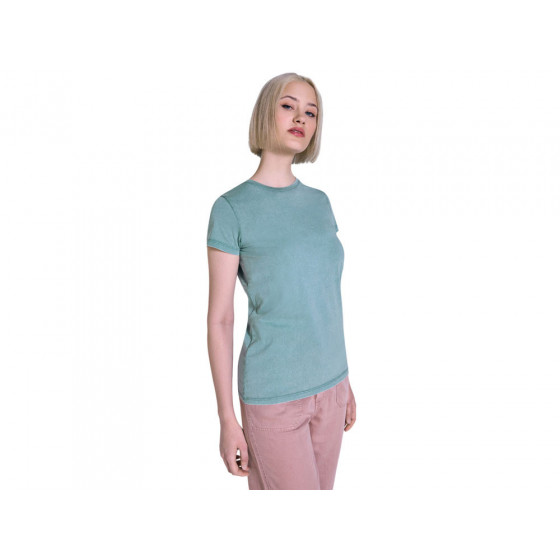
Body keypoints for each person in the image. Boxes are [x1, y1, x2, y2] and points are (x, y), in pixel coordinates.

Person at [206, 72, 356, 490]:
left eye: (311, 112)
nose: (301, 118)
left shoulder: (320, 203)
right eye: (288, 106)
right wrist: (227, 419)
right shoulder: (231, 208)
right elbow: (220, 319)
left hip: (332, 388)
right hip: (274, 396)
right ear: (265, 113)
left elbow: (324, 298)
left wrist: (344, 381)